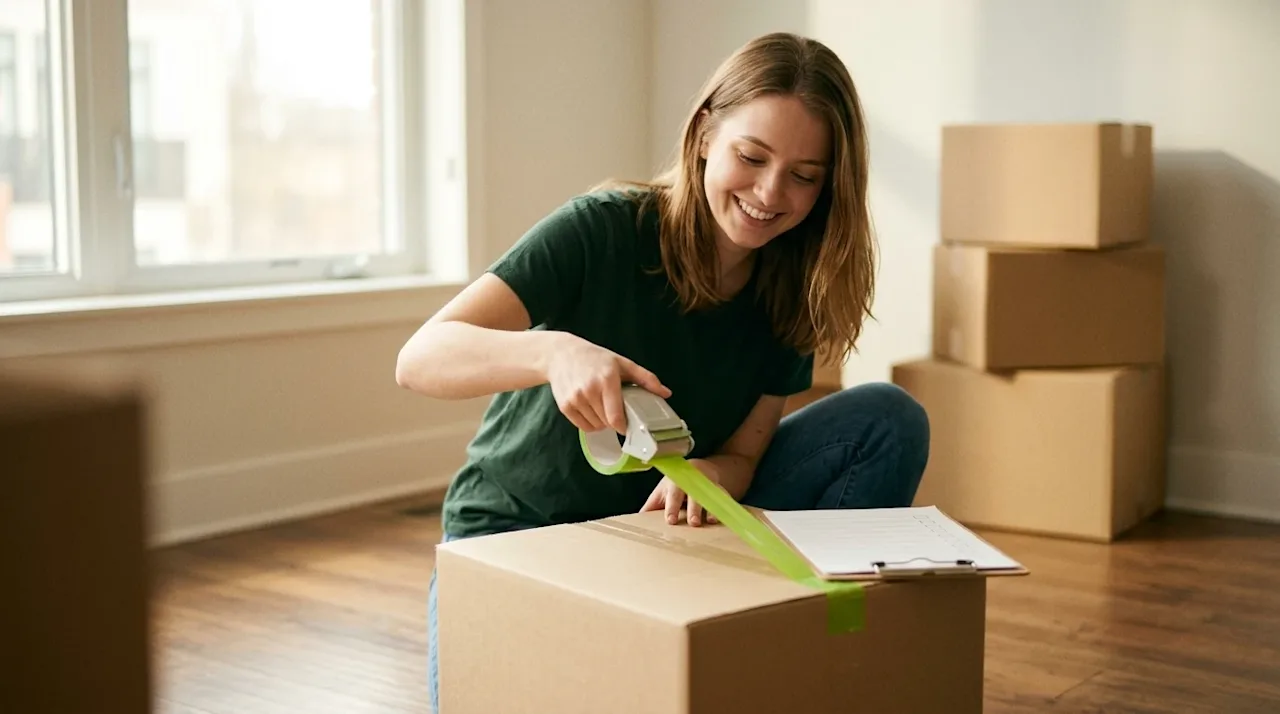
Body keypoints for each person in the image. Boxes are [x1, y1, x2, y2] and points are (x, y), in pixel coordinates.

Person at [395, 31, 930, 712]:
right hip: (518, 535)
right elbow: (420, 358)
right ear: (705, 133)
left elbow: (745, 454)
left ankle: (816, 644)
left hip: (659, 540)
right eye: (751, 157)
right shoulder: (602, 229)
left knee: (887, 419)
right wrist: (553, 352)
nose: (770, 193)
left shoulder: (792, 285)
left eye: (804, 175)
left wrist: (710, 475)